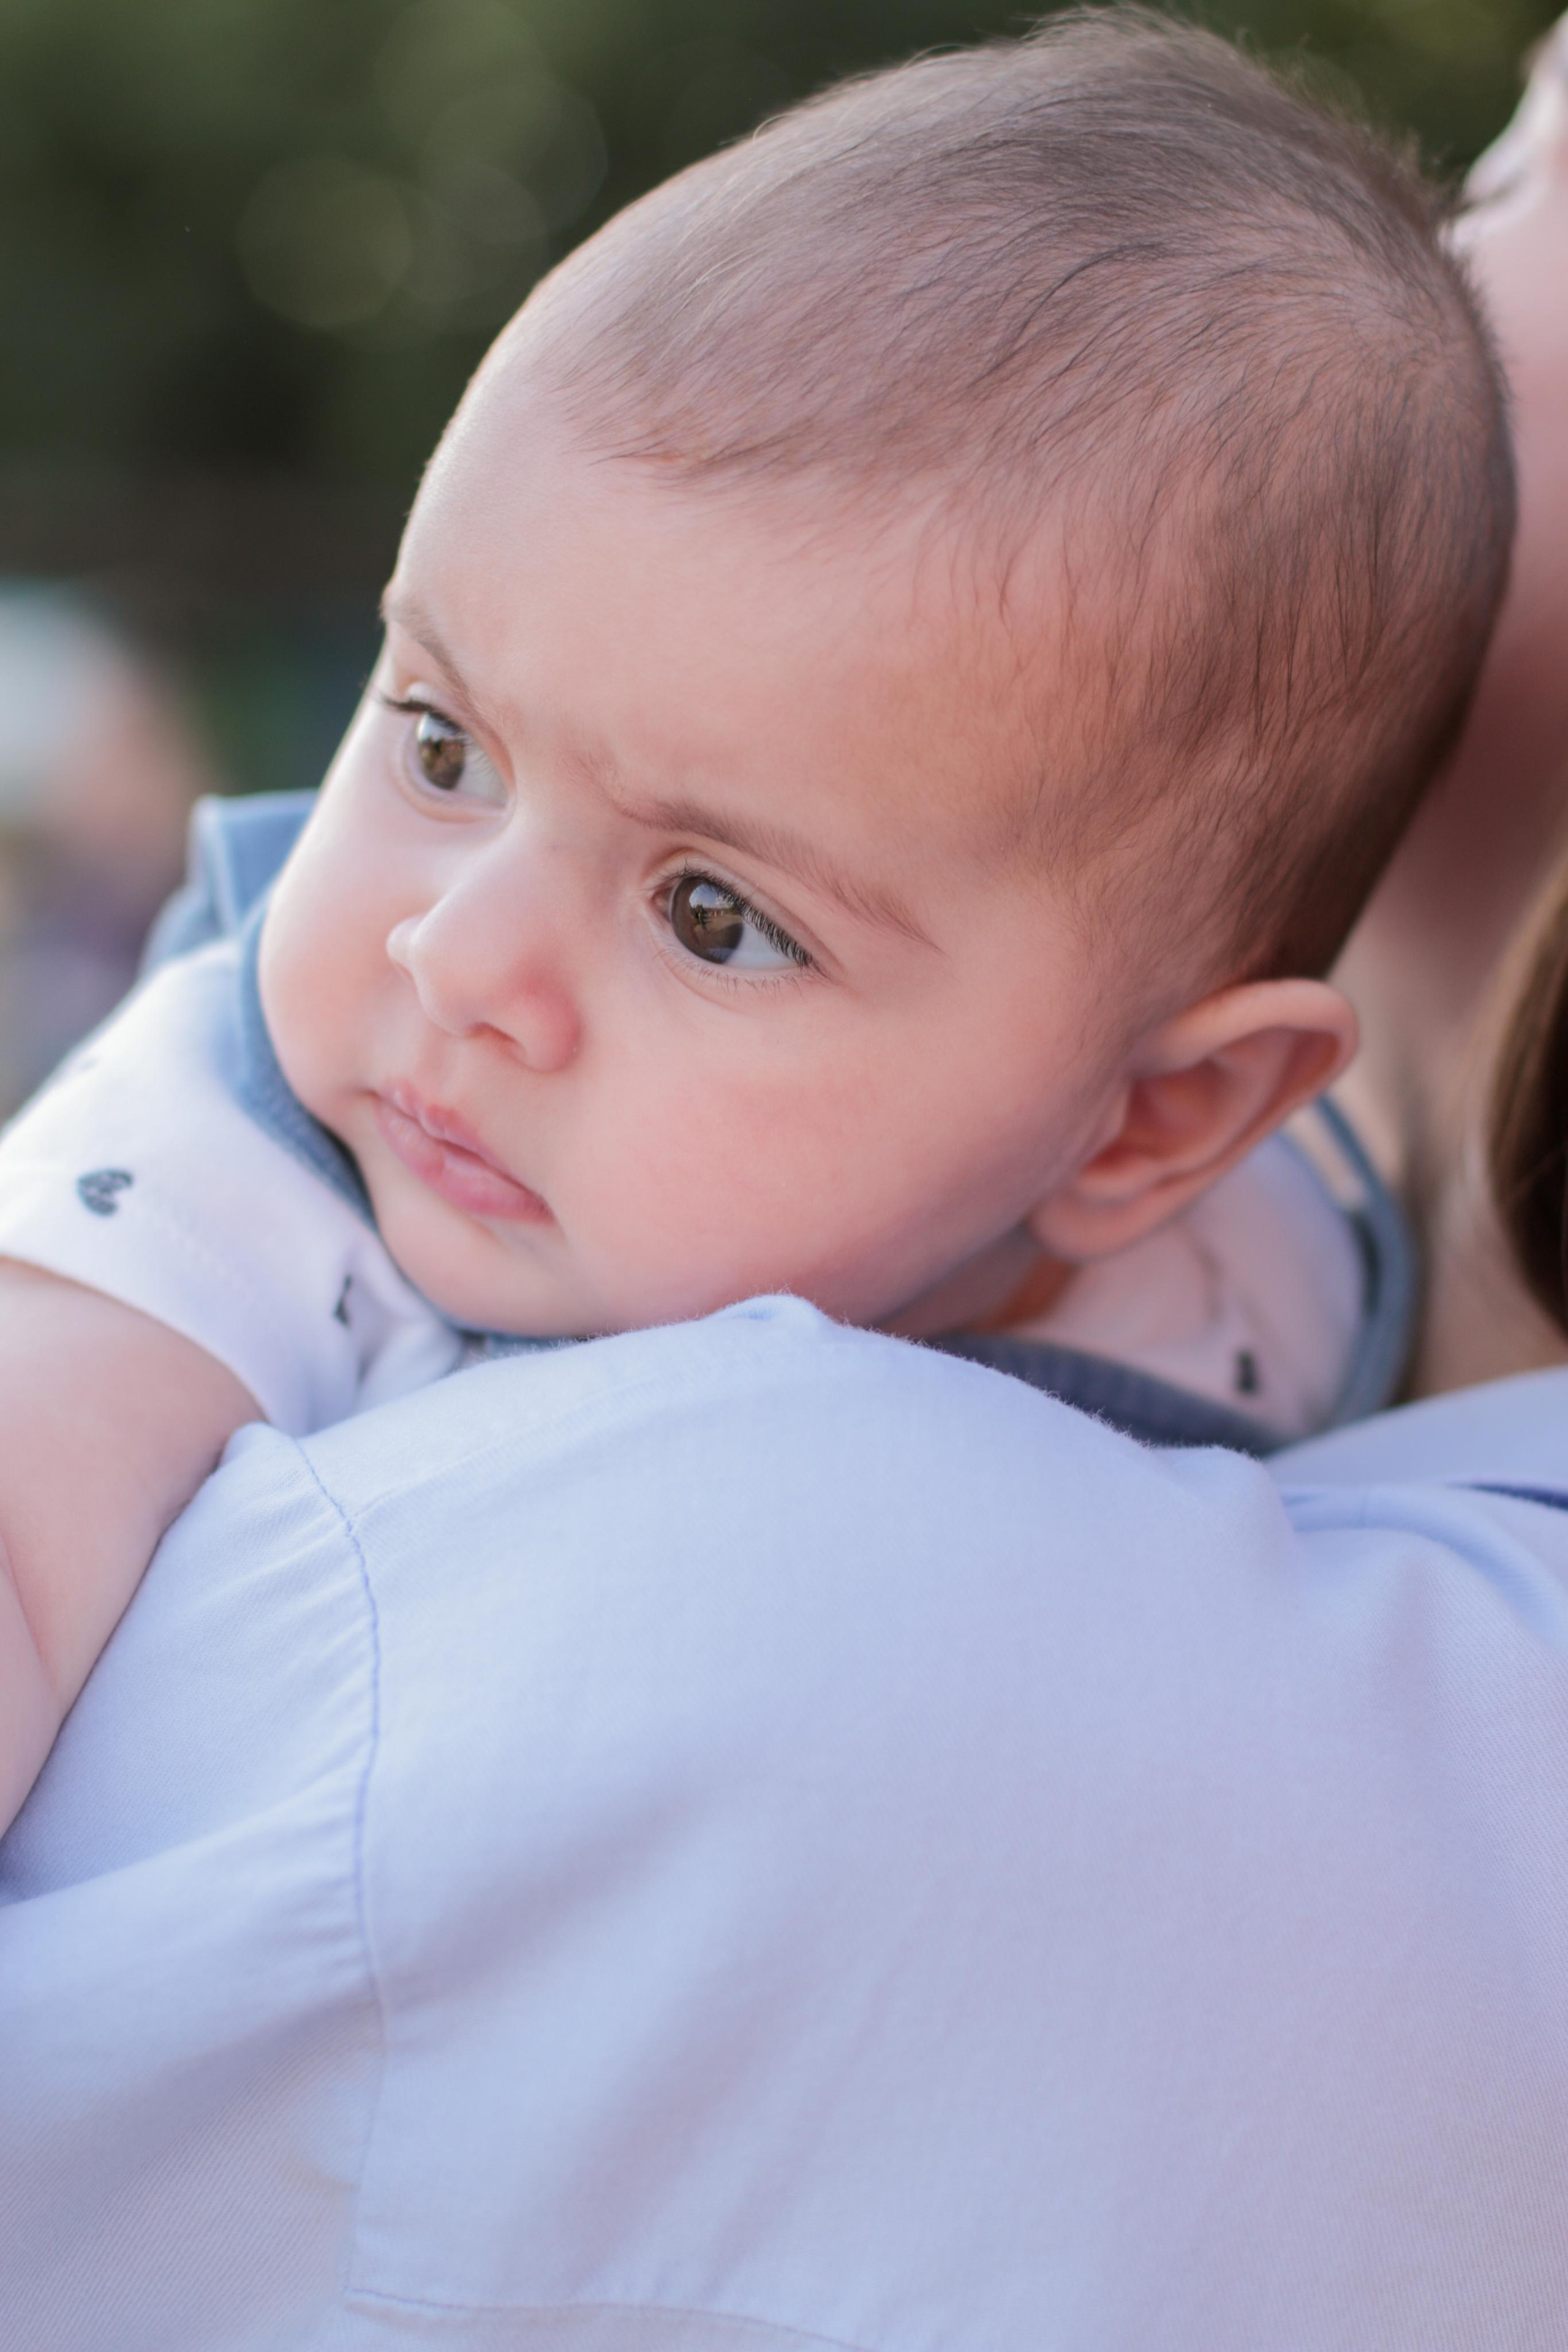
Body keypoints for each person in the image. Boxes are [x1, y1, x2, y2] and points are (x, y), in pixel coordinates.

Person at [6, 27, 1568, 2344]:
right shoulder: (255, 1149)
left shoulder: (1285, 1272)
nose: (459, 957)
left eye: (716, 914)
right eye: (439, 741)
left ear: (1151, 1126)